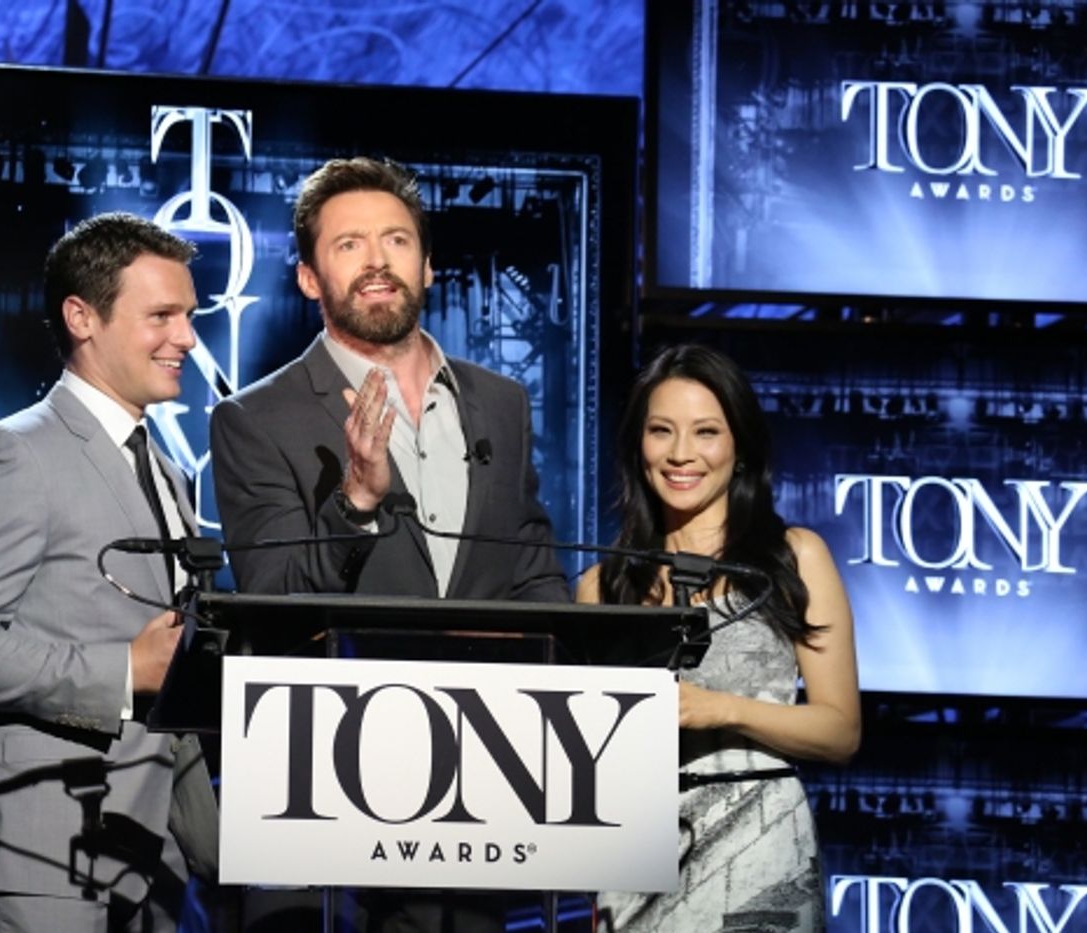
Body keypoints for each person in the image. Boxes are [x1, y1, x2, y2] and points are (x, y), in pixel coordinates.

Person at [209, 157, 569, 930]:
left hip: (482, 792)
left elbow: (531, 566)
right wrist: (356, 505)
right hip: (329, 796)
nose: (377, 260)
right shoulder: (255, 418)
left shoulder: (500, 405)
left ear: (429, 265)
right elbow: (269, 596)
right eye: (349, 245)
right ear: (309, 278)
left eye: (397, 240)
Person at [0, 212, 218, 932]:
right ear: (82, 316)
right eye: (163, 316)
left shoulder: (170, 475)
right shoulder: (11, 453)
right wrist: (122, 669)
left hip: (153, 855)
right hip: (37, 847)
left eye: (190, 316)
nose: (188, 338)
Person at [578, 344, 860, 932]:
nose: (681, 454)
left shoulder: (795, 559)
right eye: (661, 431)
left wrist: (719, 709)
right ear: (639, 446)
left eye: (706, 432)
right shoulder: (602, 585)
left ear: (740, 448)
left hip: (762, 849)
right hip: (637, 857)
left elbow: (839, 730)